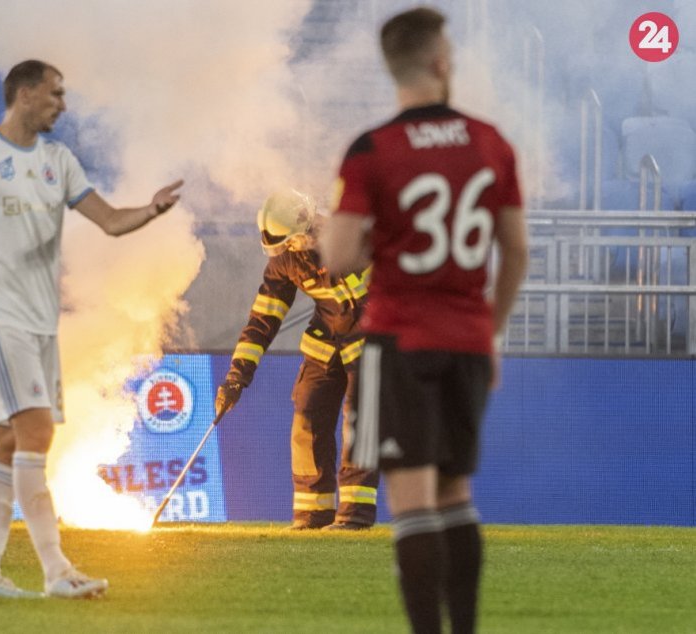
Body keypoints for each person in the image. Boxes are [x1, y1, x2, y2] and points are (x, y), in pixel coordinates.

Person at [0, 59, 182, 600]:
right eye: (56, 94)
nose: (63, 103)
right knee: (38, 432)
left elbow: (109, 220)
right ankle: (57, 571)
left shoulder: (59, 160)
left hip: (40, 323)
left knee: (7, 444)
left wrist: (150, 211)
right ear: (27, 94)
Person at [321, 7, 529, 634]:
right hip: (467, 339)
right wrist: (490, 333)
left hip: (399, 340)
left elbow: (338, 257)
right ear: (440, 62)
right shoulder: (492, 141)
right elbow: (515, 248)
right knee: (455, 495)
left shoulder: (370, 150)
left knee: (410, 502)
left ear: (393, 68)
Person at [215, 189, 379, 530]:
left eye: (291, 242)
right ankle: (311, 515)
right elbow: (263, 320)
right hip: (326, 344)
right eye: (281, 246)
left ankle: (353, 516)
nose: (287, 250)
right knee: (306, 419)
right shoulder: (285, 262)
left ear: (308, 226)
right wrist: (236, 378)